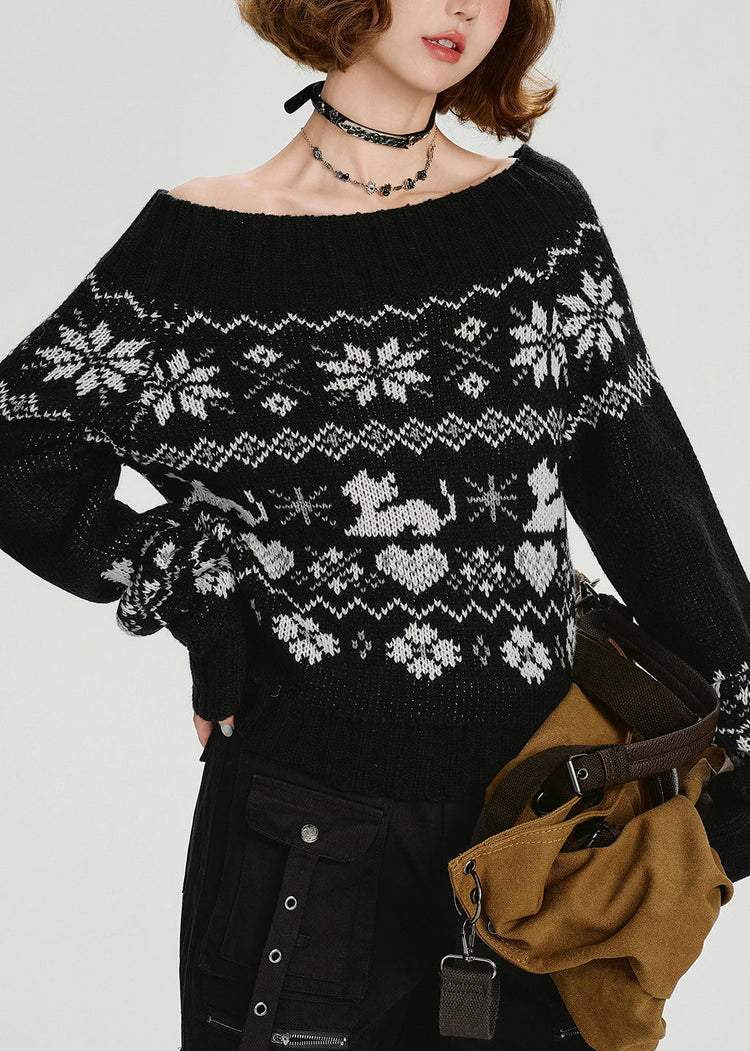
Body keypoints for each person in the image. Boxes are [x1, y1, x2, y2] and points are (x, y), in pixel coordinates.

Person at [2, 1, 749, 1048]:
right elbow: (21, 448)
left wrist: (742, 729)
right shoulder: (202, 249)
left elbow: (650, 500)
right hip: (297, 839)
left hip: (532, 840)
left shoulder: (538, 228)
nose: (465, 7)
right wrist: (200, 596)